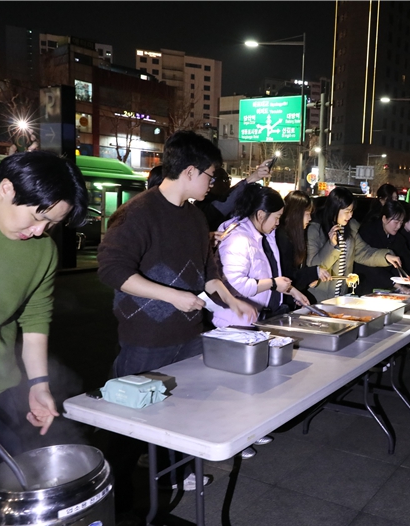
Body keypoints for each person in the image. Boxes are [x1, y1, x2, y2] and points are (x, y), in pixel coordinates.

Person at [97, 130, 257, 502]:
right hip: (145, 336)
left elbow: (207, 269)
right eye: (210, 175)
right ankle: (112, 497)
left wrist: (233, 301)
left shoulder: (195, 216)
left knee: (181, 411)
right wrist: (174, 296)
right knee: (125, 422)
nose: (212, 183)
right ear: (188, 171)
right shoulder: (137, 213)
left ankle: (170, 477)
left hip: (187, 333)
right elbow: (111, 270)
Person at [0, 151, 88, 512]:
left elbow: (34, 321)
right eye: (38, 217)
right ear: (5, 187)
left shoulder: (41, 252)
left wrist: (39, 385)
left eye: (50, 224)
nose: (39, 232)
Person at [215, 183, 310, 327]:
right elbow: (238, 284)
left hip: (257, 318)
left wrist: (291, 290)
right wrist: (273, 284)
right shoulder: (238, 239)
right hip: (237, 323)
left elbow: (266, 273)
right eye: (277, 217)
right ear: (261, 215)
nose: (278, 223)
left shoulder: (264, 235)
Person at [307, 187, 402, 301]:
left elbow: (363, 252)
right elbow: (314, 266)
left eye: (351, 211)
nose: (350, 215)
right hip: (318, 297)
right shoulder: (315, 230)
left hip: (340, 296)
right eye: (347, 211)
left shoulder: (351, 227)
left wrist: (385, 256)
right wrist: (331, 246)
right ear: (334, 209)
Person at [276, 191, 332, 306]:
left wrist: (309, 280)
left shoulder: (295, 235)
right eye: (307, 214)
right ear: (296, 214)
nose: (310, 218)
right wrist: (314, 272)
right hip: (282, 302)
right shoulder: (282, 238)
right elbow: (287, 275)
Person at [355, 200, 410, 295]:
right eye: (396, 222)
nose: (398, 226)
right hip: (365, 285)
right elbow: (368, 265)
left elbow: (408, 257)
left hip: (386, 285)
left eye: (401, 222)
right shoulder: (368, 232)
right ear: (384, 219)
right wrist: (396, 285)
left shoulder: (397, 237)